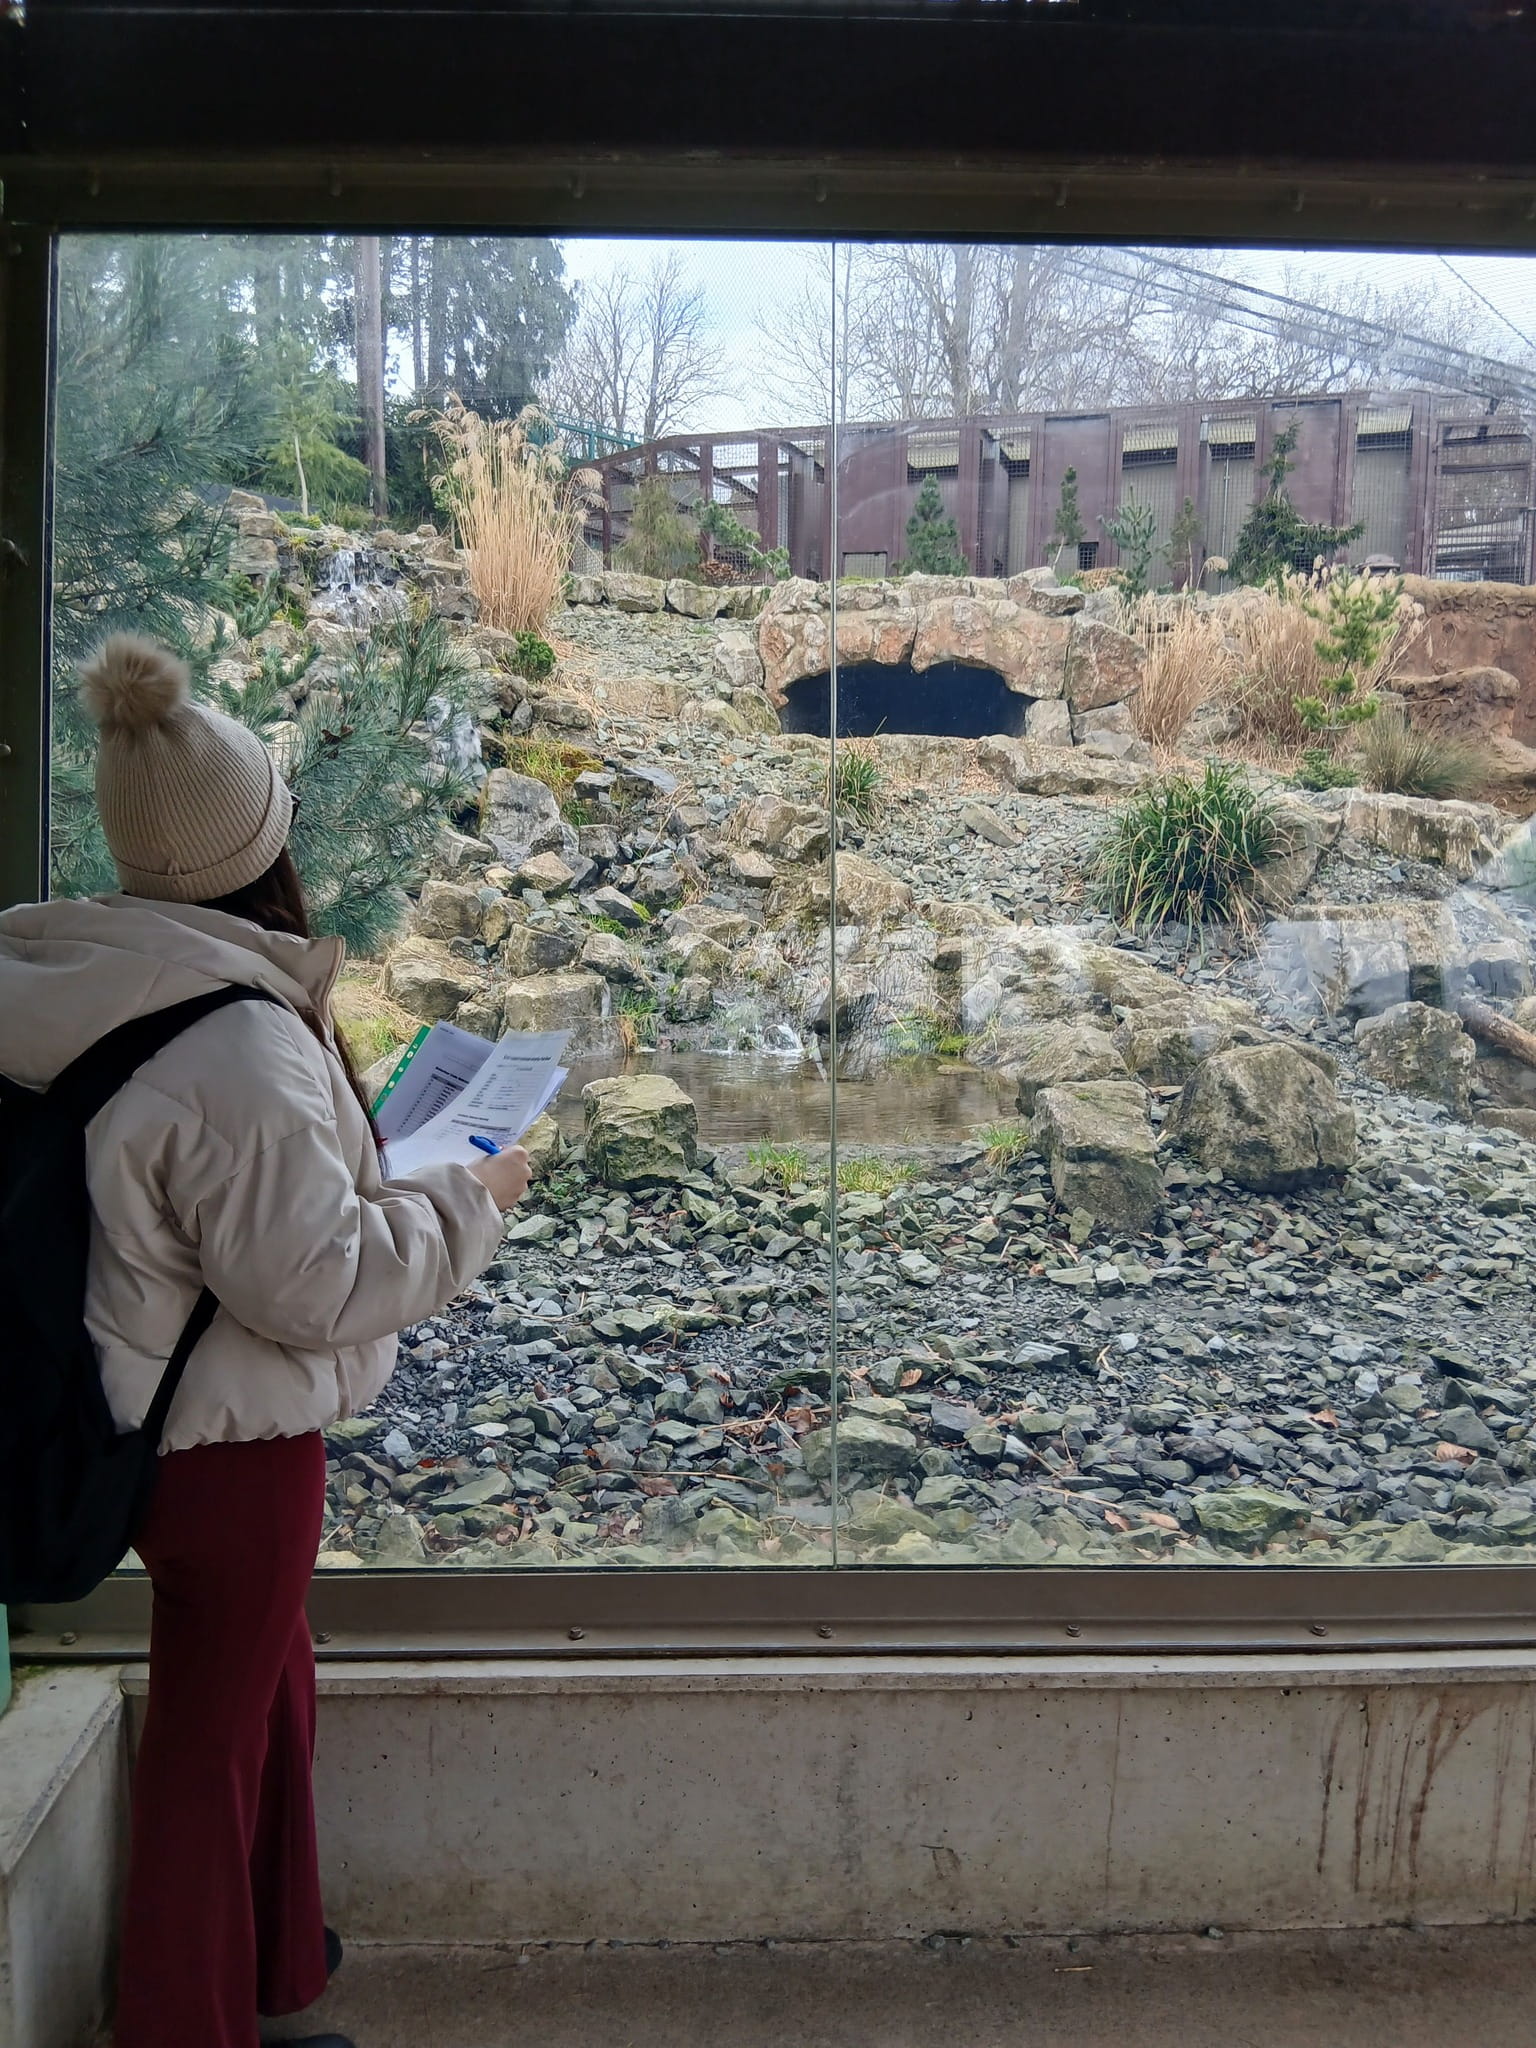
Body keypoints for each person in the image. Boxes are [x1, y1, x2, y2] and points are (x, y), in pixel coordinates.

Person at [0, 635, 530, 2048]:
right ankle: (188, 2025)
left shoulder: (60, 967)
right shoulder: (235, 1039)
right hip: (224, 1443)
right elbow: (316, 1284)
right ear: (265, 848)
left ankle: (279, 1977)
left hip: (95, 1405)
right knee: (211, 1743)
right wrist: (470, 1201)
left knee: (267, 1689)